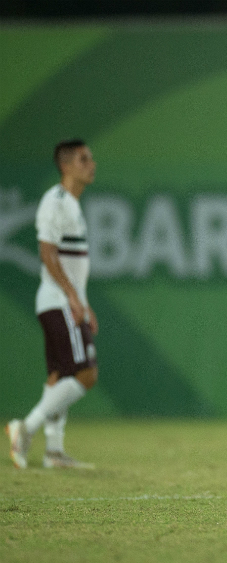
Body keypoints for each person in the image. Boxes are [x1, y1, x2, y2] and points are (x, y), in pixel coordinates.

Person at [7, 139, 99, 470]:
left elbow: (73, 264)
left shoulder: (71, 204)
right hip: (58, 300)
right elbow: (47, 253)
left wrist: (84, 302)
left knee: (59, 375)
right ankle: (26, 428)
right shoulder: (56, 201)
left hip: (61, 300)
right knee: (86, 373)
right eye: (84, 159)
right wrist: (74, 298)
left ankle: (54, 452)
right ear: (66, 166)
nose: (92, 164)